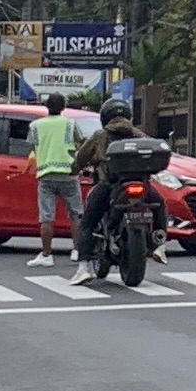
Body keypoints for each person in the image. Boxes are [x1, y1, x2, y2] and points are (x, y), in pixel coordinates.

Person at [74, 108, 140, 285]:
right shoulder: (138, 135)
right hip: (139, 184)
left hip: (108, 186)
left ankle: (83, 267)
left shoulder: (100, 135)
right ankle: (160, 242)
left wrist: (74, 169)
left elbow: (81, 157)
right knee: (160, 204)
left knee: (86, 223)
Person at [29, 94, 80, 254]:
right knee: (76, 214)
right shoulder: (70, 124)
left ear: (46, 106)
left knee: (46, 216)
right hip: (68, 173)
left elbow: (32, 148)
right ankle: (77, 251)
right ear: (64, 107)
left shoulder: (35, 126)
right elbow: (79, 143)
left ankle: (46, 254)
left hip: (46, 175)